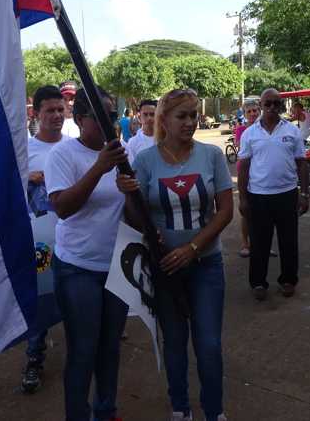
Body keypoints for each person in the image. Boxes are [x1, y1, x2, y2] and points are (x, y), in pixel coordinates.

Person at [118, 88, 233, 421]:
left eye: (193, 115)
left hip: (206, 264)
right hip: (164, 268)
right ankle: (180, 407)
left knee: (209, 344)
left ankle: (214, 410)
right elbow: (134, 217)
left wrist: (193, 248)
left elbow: (225, 211)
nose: (189, 122)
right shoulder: (144, 161)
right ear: (164, 120)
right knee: (174, 342)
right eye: (181, 116)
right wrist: (128, 195)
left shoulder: (211, 156)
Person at [44, 86, 129, 421]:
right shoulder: (63, 156)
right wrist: (99, 167)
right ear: (79, 119)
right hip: (77, 269)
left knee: (110, 348)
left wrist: (131, 190)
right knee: (83, 349)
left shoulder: (122, 154)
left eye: (112, 115)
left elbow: (131, 211)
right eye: (101, 116)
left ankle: (106, 411)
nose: (111, 122)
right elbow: (63, 208)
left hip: (116, 266)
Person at [238, 89, 309, 301]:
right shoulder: (250, 133)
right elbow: (243, 167)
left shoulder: (292, 131)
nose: (271, 108)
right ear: (260, 105)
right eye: (267, 104)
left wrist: (304, 193)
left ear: (281, 106)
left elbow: (301, 163)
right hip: (258, 195)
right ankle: (258, 282)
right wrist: (242, 198)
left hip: (287, 194)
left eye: (276, 104)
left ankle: (288, 280)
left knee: (289, 241)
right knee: (259, 242)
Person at [21, 85, 69, 393]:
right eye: (49, 111)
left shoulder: (73, 147)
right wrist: (26, 178)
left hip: (71, 238)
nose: (56, 116)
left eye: (60, 110)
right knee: (40, 298)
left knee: (73, 297)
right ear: (35, 114)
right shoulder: (23, 151)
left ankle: (83, 357)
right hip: (37, 239)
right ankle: (34, 359)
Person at [235, 99, 261, 258]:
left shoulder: (263, 128)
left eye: (255, 111)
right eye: (249, 111)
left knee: (262, 211)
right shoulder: (241, 130)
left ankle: (261, 243)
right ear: (244, 114)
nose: (252, 114)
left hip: (260, 173)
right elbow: (241, 147)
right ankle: (245, 243)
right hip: (246, 173)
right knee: (246, 209)